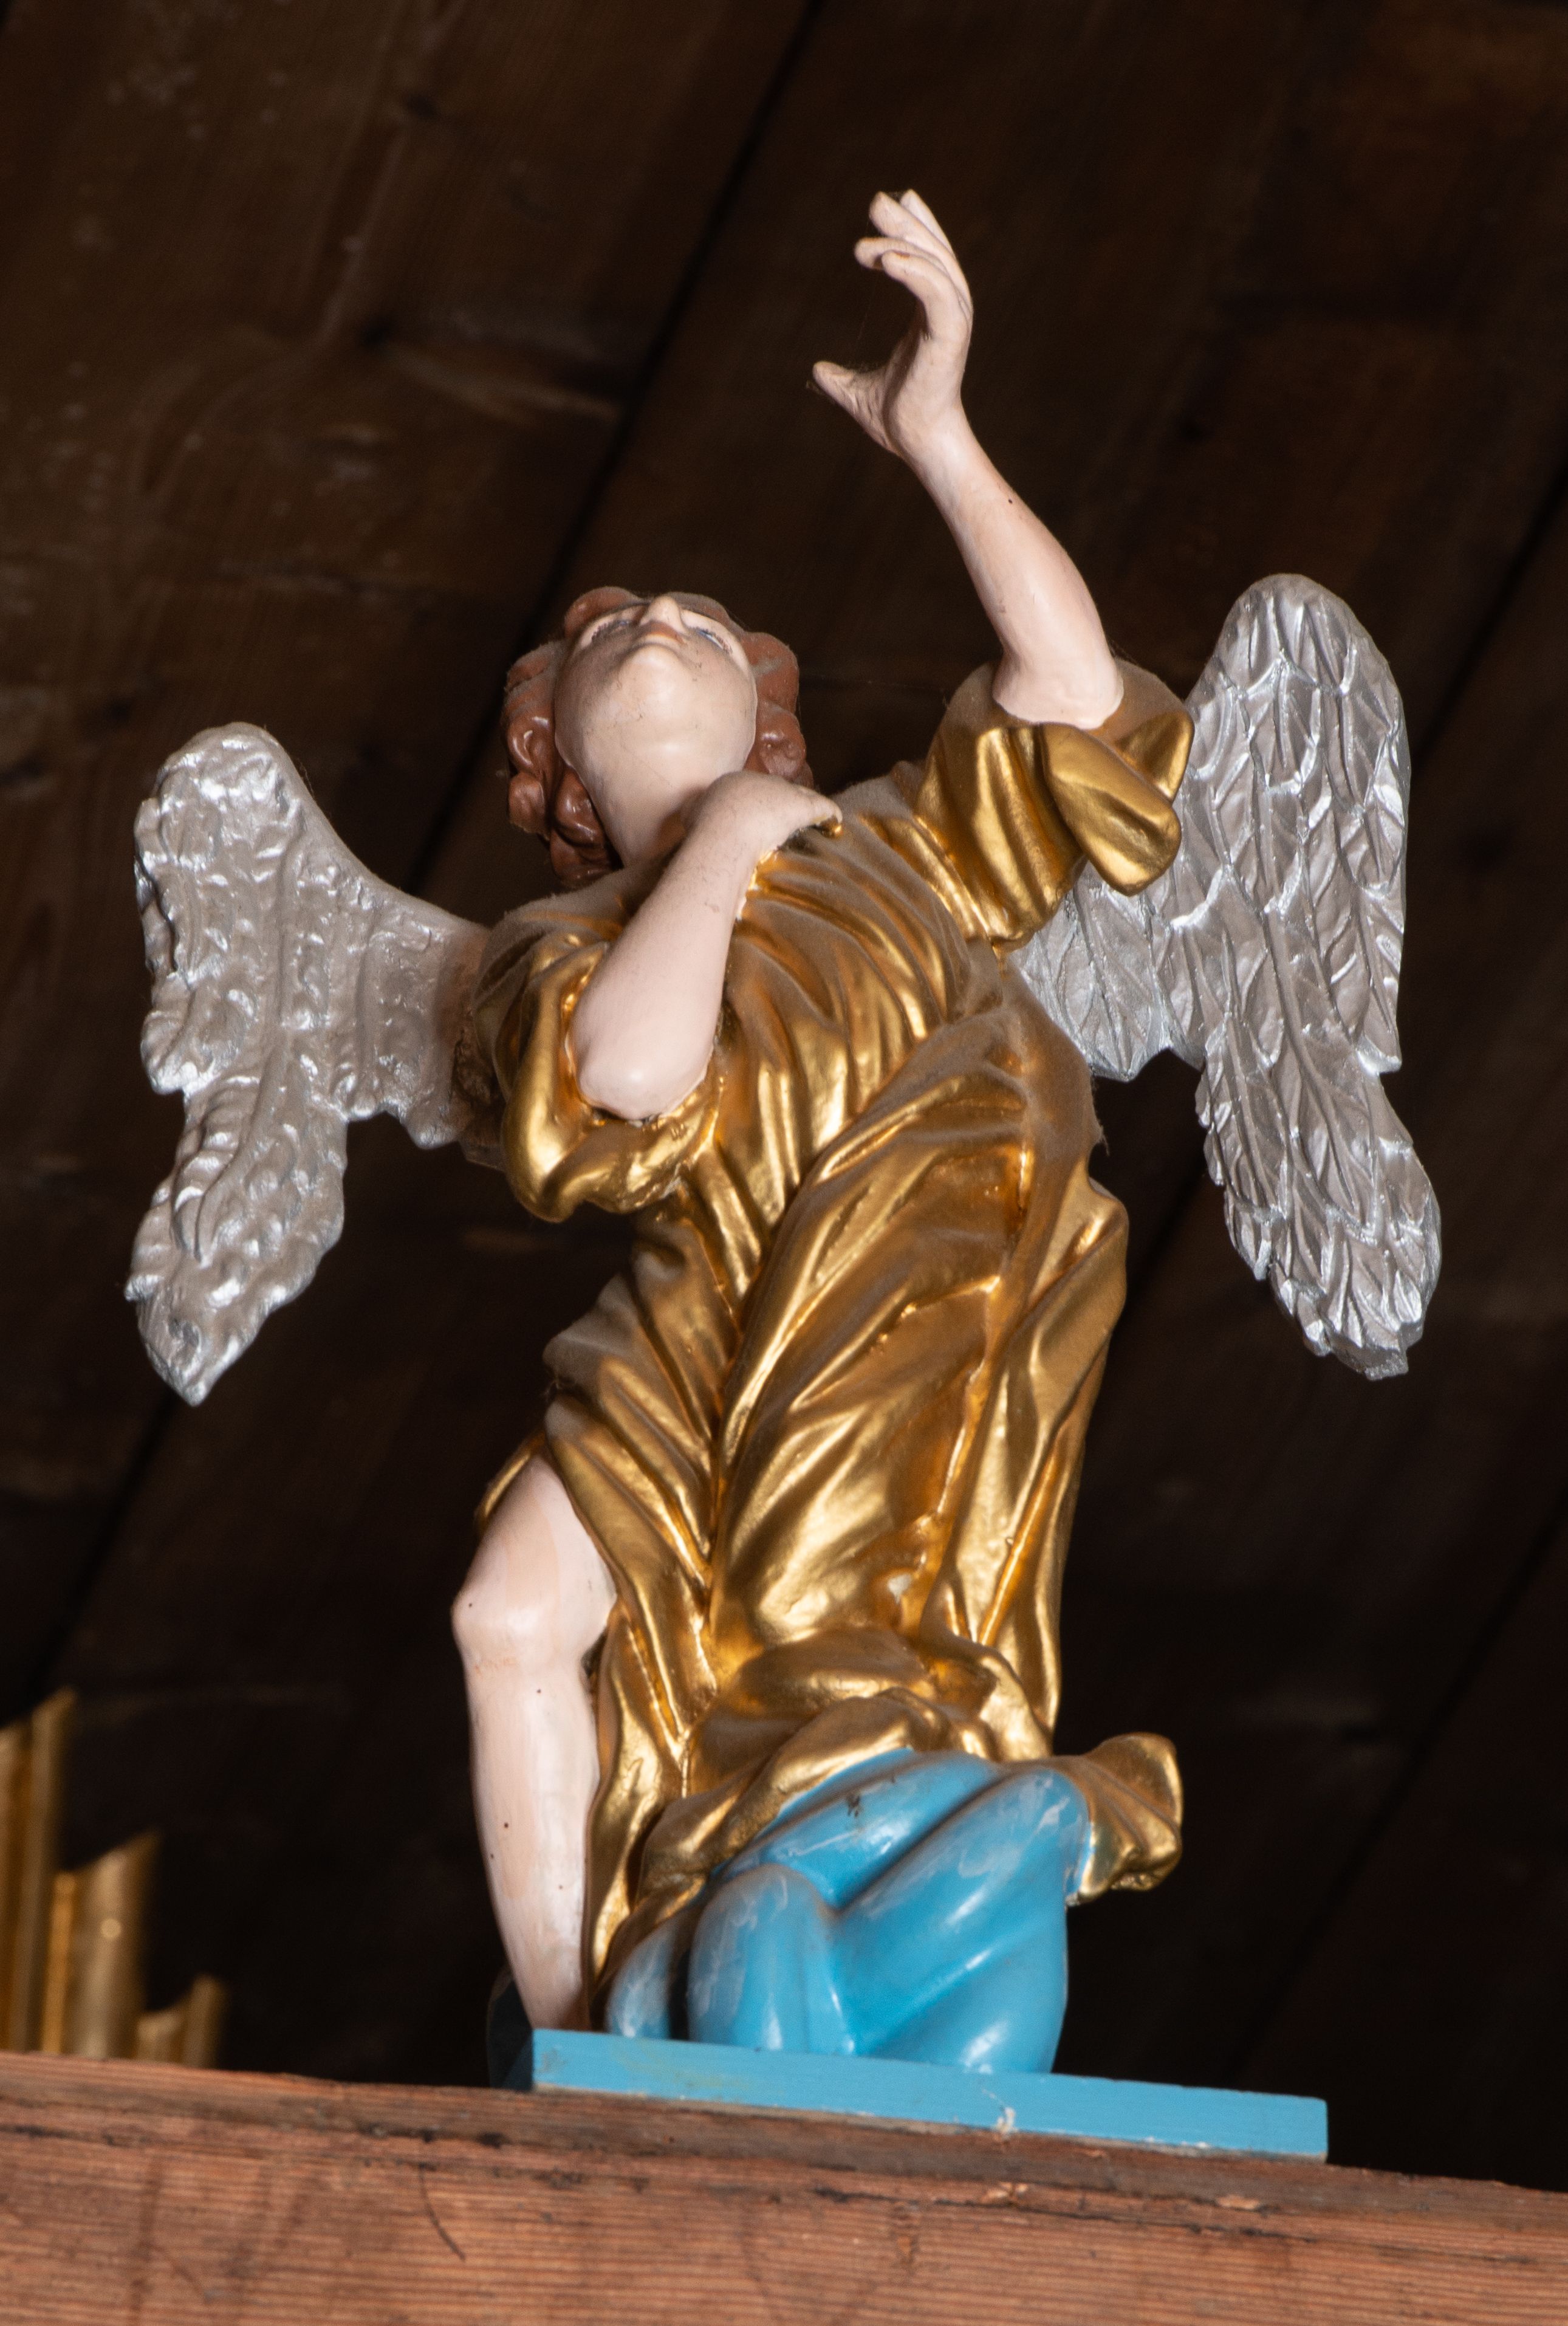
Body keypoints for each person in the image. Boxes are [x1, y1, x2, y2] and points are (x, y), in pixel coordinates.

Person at [453, 192, 1191, 2064]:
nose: (660, 614)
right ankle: (580, 2030)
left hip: (916, 1273)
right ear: (560, 769)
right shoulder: (562, 940)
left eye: (702, 619)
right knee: (505, 1612)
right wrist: (721, 844)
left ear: (774, 724)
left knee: (864, 1652)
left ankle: (861, 1930)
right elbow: (627, 1081)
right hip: (701, 1323)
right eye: (613, 633)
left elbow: (1074, 695)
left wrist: (940, 437)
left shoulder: (900, 841)